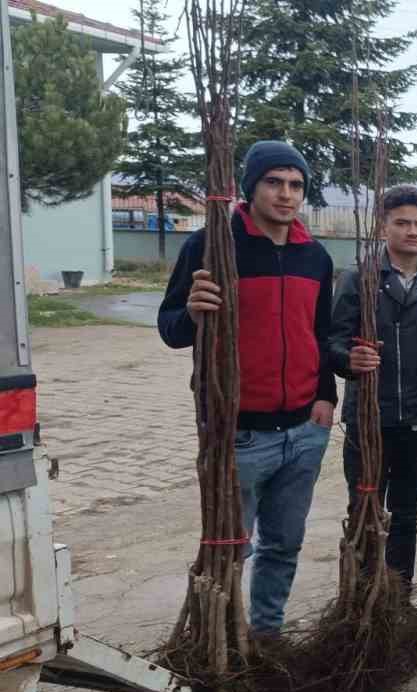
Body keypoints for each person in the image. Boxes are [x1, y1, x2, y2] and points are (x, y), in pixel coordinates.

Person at [157, 140, 337, 637]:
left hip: (304, 431)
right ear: (251, 187)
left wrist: (326, 397)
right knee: (231, 546)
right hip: (239, 433)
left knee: (284, 545)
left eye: (296, 185)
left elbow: (321, 335)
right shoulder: (212, 246)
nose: (286, 194)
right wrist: (192, 313)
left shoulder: (315, 257)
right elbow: (169, 327)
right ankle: (224, 639)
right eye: (274, 183)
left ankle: (267, 637)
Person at [327, 185, 417, 594]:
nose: (413, 231)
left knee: (406, 513)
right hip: (367, 419)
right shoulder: (360, 279)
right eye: (403, 223)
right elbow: (332, 342)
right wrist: (348, 360)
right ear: (384, 225)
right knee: (363, 509)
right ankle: (360, 597)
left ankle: (398, 597)